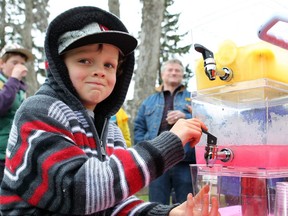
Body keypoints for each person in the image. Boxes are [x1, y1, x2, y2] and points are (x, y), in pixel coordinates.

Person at [0, 6, 219, 215]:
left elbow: (111, 204)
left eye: (109, 65)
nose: (99, 72)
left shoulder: (110, 130)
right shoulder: (40, 111)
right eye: (84, 60)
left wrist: (168, 212)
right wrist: (169, 142)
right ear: (58, 66)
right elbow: (80, 192)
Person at [134, 59, 195, 205]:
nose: (174, 73)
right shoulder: (148, 101)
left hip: (185, 160)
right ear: (162, 74)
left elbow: (205, 121)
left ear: (182, 75)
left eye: (177, 70)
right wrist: (144, 150)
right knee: (156, 204)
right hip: (157, 159)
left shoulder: (193, 98)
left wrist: (185, 116)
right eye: (170, 70)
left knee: (186, 205)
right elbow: (139, 128)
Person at [0, 43, 34, 183]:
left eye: (22, 63)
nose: (19, 67)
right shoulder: (10, 84)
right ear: (2, 63)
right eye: (14, 62)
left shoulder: (21, 89)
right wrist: (14, 79)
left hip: (14, 155)